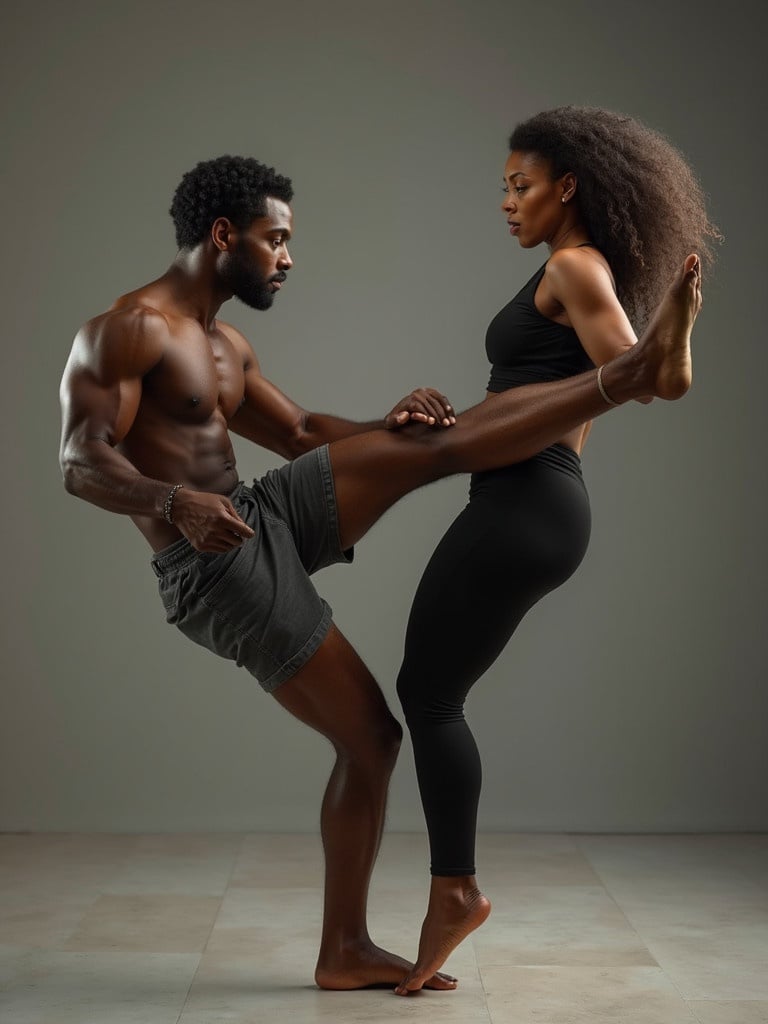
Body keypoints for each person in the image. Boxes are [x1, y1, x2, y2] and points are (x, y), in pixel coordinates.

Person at [59, 153, 702, 992]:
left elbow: (298, 434)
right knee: (372, 738)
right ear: (224, 236)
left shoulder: (225, 344)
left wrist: (383, 423)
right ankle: (344, 949)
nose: (287, 258)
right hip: (211, 562)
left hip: (262, 508)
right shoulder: (126, 330)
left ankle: (626, 375)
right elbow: (79, 461)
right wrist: (174, 501)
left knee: (430, 440)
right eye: (275, 240)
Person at [392, 106, 720, 995]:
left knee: (427, 693)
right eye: (505, 185)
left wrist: (670, 341)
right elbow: (647, 372)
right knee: (429, 692)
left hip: (527, 499)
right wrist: (672, 336)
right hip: (535, 500)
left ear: (566, 186)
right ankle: (450, 893)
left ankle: (453, 894)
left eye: (519, 184)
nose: (505, 201)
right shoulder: (573, 269)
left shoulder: (574, 264)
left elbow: (644, 380)